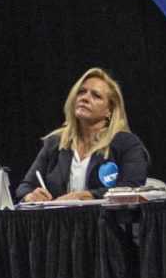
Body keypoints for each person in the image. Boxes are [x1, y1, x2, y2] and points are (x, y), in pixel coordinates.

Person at [17, 67, 149, 202]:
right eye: (81, 92)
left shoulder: (126, 144)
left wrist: (85, 196)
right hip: (61, 222)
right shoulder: (55, 143)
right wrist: (31, 196)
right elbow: (25, 187)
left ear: (110, 110)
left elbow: (131, 188)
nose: (85, 98)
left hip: (105, 221)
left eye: (96, 95)